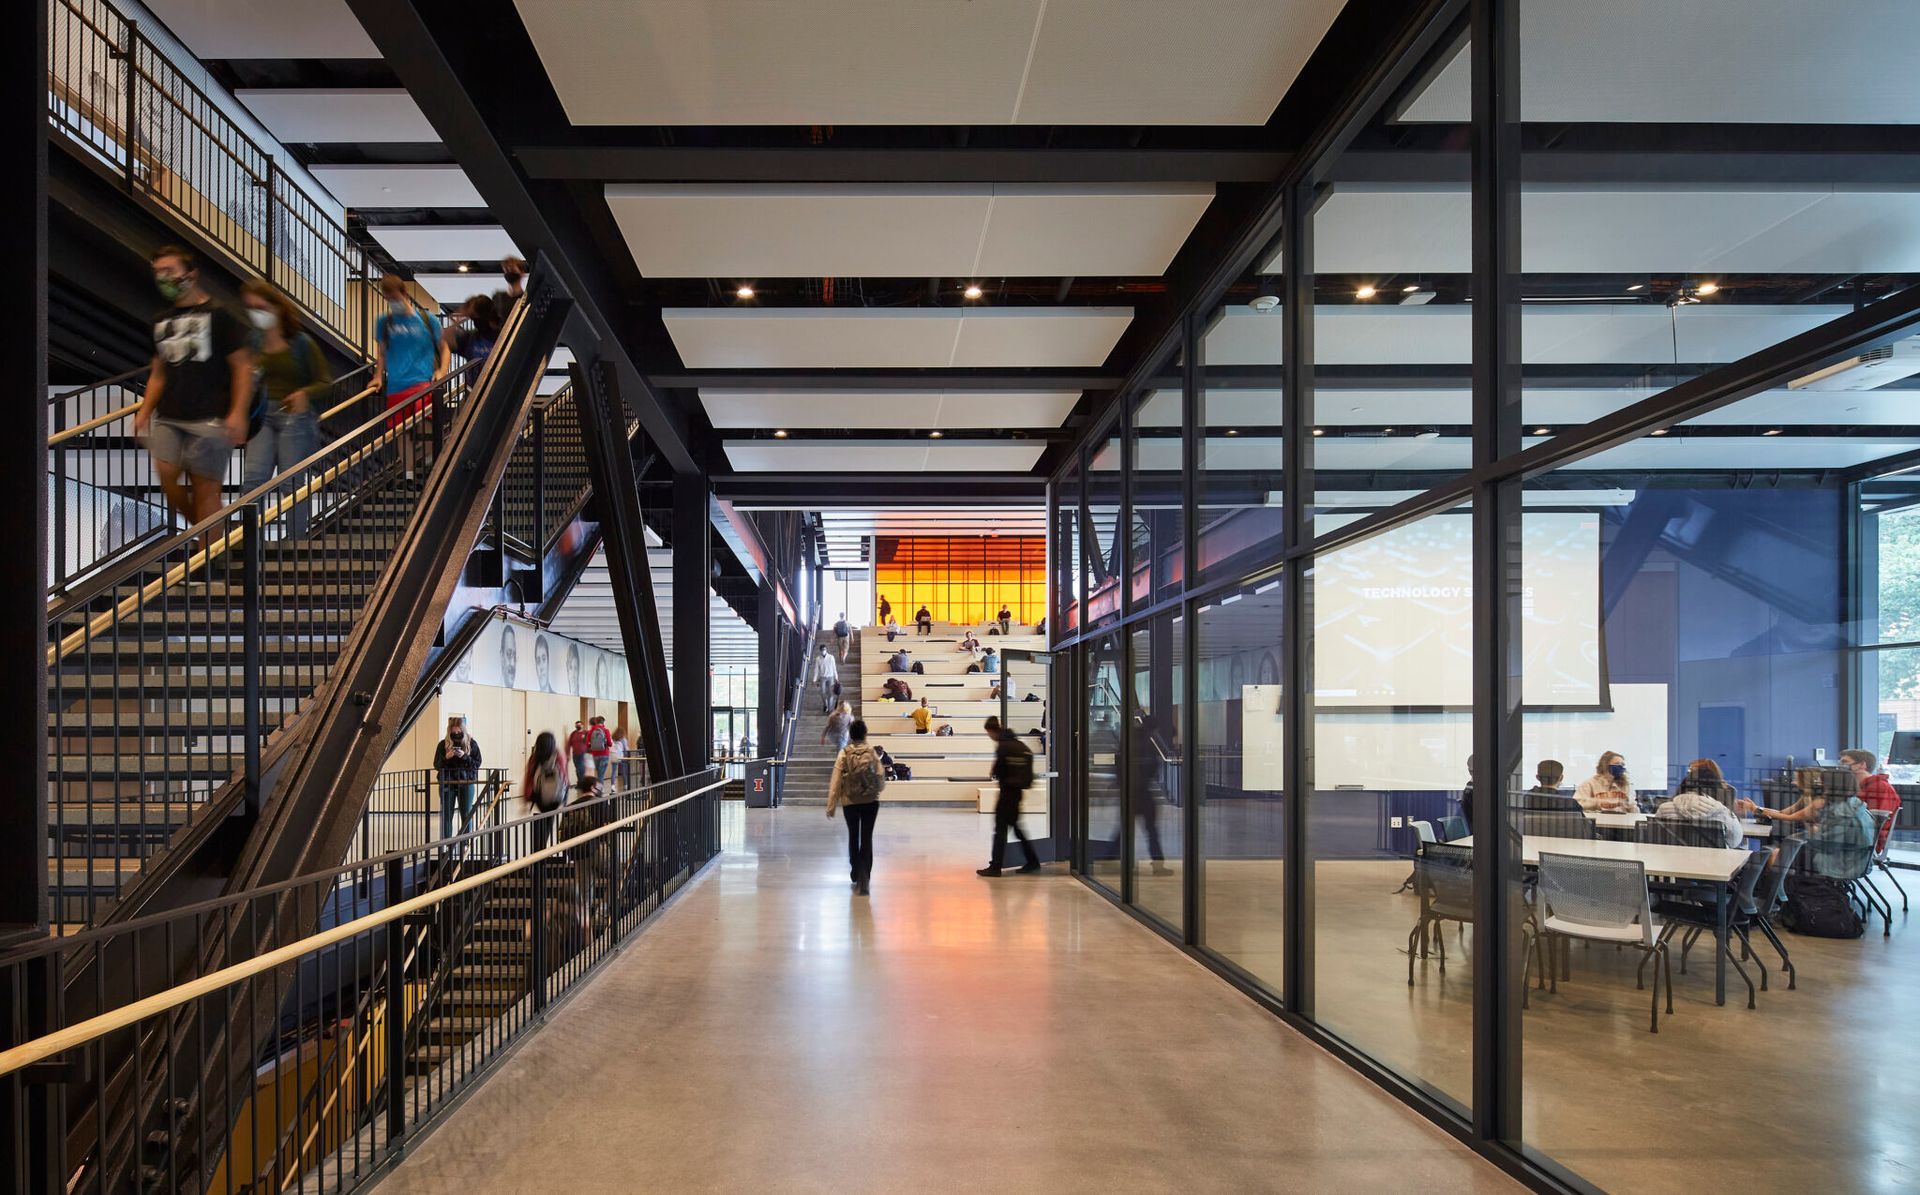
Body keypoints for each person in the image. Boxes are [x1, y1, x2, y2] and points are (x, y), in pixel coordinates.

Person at [139, 245, 251, 551]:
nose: (163, 278)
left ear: (191, 274)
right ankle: (215, 535)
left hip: (210, 415)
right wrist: (145, 409)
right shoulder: (160, 320)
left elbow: (242, 367)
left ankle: (210, 555)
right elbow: (158, 371)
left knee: (206, 490)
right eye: (158, 273)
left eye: (170, 271)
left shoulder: (220, 315)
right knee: (168, 481)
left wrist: (238, 412)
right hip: (170, 414)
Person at [238, 281, 331, 527]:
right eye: (251, 307)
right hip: (263, 415)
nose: (256, 313)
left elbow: (325, 381)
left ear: (277, 308)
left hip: (296, 416)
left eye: (261, 307)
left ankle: (297, 542)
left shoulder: (301, 343)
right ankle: (249, 543)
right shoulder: (253, 341)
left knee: (292, 482)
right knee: (253, 479)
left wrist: (305, 393)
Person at [1740, 767, 1876, 878]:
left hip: (1841, 862)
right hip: (1848, 858)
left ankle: (1772, 897)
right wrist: (1756, 808)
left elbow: (1821, 843)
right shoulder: (1852, 805)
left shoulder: (1831, 808)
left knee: (1772, 855)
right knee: (1775, 853)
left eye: (1823, 783)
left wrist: (1812, 832)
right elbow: (1784, 813)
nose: (1820, 786)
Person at [372, 274, 447, 477]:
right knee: (400, 432)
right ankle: (408, 474)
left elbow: (444, 347)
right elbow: (382, 352)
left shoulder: (426, 319)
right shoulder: (384, 322)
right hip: (396, 384)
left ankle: (432, 462)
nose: (392, 303)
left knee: (425, 420)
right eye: (388, 299)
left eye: (394, 298)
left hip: (422, 381)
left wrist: (442, 370)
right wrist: (378, 376)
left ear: (404, 294)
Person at [826, 719, 885, 895]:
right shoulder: (872, 753)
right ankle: (865, 876)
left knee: (853, 836)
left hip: (850, 802)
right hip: (870, 802)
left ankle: (855, 871)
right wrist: (875, 790)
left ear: (850, 735)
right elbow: (880, 778)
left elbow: (836, 781)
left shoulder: (844, 753)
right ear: (865, 734)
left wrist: (831, 806)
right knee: (867, 838)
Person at [977, 716, 1041, 877]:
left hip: (1008, 792)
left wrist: (994, 772)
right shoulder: (1018, 744)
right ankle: (1032, 861)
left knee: (1001, 829)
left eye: (988, 733)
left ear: (991, 730)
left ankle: (996, 867)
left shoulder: (1003, 746)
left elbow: (999, 771)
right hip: (1016, 792)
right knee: (1016, 828)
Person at [1129, 709, 1171, 875]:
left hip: (1134, 791)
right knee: (1151, 830)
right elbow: (1150, 768)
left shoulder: (1134, 739)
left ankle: (1110, 859)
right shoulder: (1145, 743)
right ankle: (1158, 865)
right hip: (1142, 792)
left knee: (1125, 831)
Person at [1842, 748, 1902, 853]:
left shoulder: (1880, 787)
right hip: (1851, 835)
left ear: (1862, 765)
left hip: (1865, 841)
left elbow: (1874, 822)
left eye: (1845, 762)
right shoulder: (1855, 787)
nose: (1840, 766)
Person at [433, 715, 483, 838]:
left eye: (458, 732)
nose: (456, 734)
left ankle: (465, 843)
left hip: (466, 782)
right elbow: (437, 765)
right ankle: (447, 844)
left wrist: (464, 756)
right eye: (453, 732)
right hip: (447, 783)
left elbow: (477, 763)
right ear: (449, 731)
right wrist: (447, 758)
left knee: (466, 813)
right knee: (447, 814)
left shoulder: (471, 743)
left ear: (463, 730)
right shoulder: (442, 745)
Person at [520, 730, 565, 851]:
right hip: (555, 796)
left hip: (539, 796)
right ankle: (542, 849)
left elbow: (529, 778)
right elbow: (564, 775)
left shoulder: (535, 758)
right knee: (549, 821)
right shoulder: (558, 756)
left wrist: (526, 797)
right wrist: (565, 794)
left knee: (541, 820)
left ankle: (538, 850)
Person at [444, 292, 503, 363]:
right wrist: (457, 320)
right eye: (473, 316)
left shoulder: (504, 335)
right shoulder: (469, 338)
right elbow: (444, 340)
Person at [586, 715, 613, 780]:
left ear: (596, 721)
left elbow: (587, 743)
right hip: (604, 754)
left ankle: (599, 788)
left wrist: (592, 745)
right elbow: (610, 744)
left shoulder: (591, 731)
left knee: (598, 773)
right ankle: (600, 789)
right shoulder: (606, 730)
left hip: (595, 754)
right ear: (603, 722)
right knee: (601, 775)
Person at [817, 645, 840, 713]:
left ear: (826, 650)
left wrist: (836, 677)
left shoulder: (831, 657)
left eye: (824, 649)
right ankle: (825, 705)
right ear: (820, 651)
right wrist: (815, 679)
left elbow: (834, 668)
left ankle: (830, 709)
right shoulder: (818, 659)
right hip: (822, 677)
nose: (823, 651)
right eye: (822, 650)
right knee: (822, 693)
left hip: (830, 677)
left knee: (831, 693)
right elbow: (817, 669)